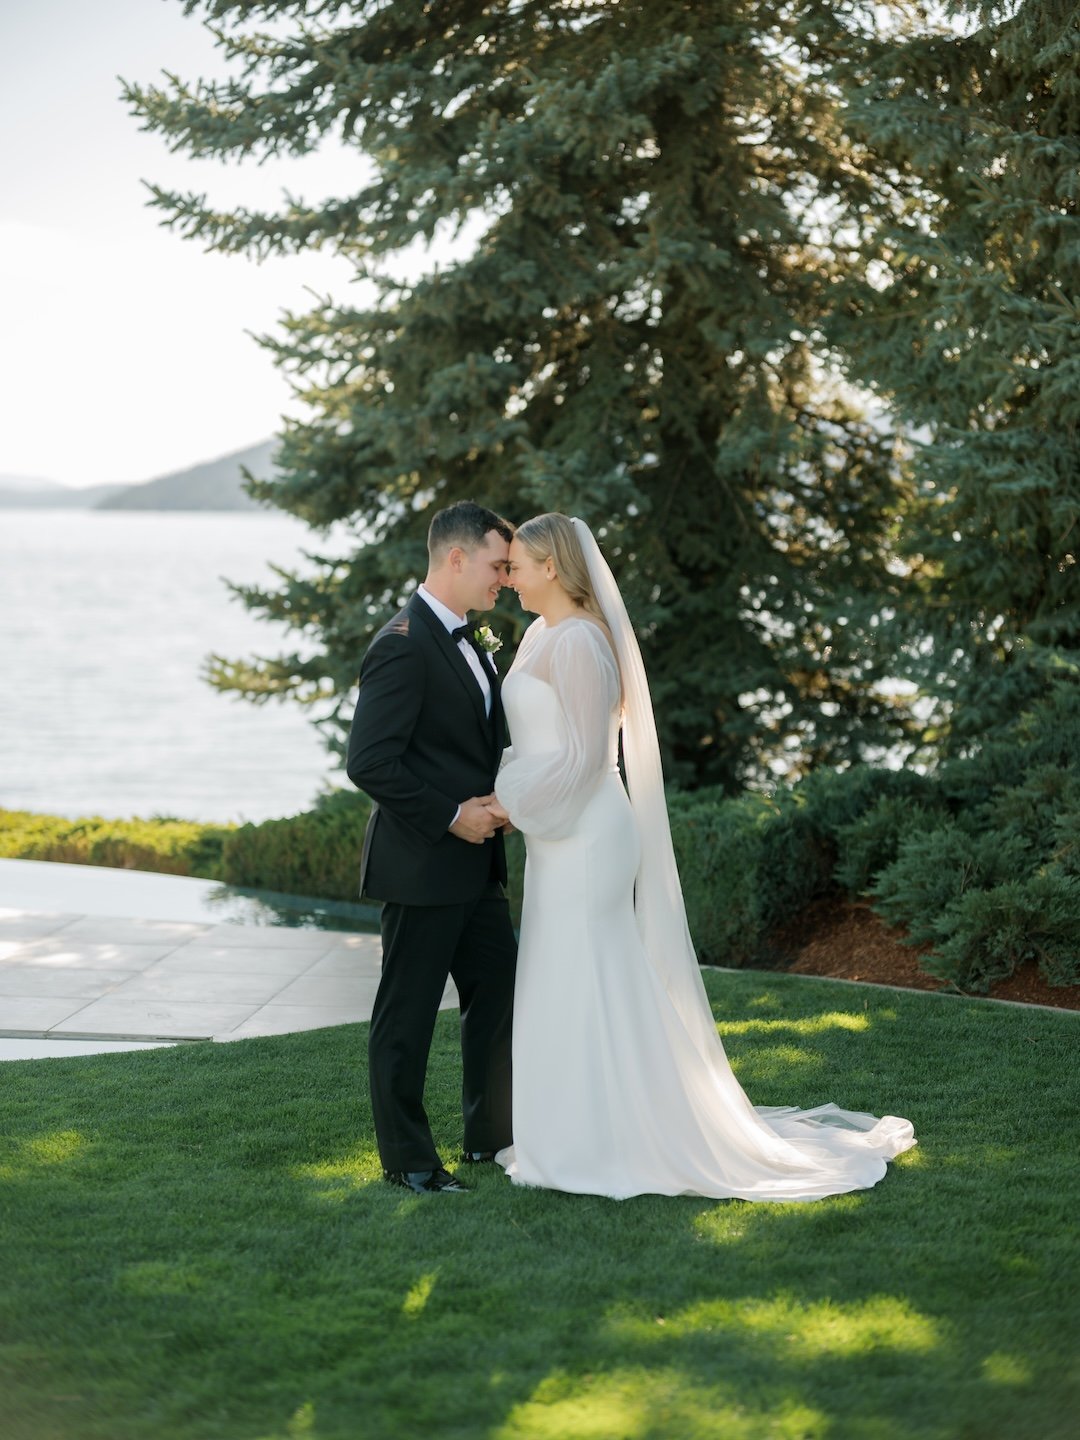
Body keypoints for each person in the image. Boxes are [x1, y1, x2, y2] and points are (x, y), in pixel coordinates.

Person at [488, 513, 916, 1201]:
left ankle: (614, 1137)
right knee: (555, 969)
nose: (508, 579)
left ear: (552, 568)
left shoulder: (581, 644)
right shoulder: (540, 635)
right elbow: (543, 745)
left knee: (593, 970)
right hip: (553, 832)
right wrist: (520, 799)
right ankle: (565, 1133)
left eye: (517, 566)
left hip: (588, 830)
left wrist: (508, 803)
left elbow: (585, 757)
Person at [347, 500, 518, 1194]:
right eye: (497, 565)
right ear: (455, 558)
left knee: (502, 990)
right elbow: (370, 762)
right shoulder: (401, 641)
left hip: (477, 867)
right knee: (406, 1017)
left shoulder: (472, 639)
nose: (505, 579)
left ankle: (491, 1136)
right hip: (421, 865)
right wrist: (452, 815)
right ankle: (410, 1159)